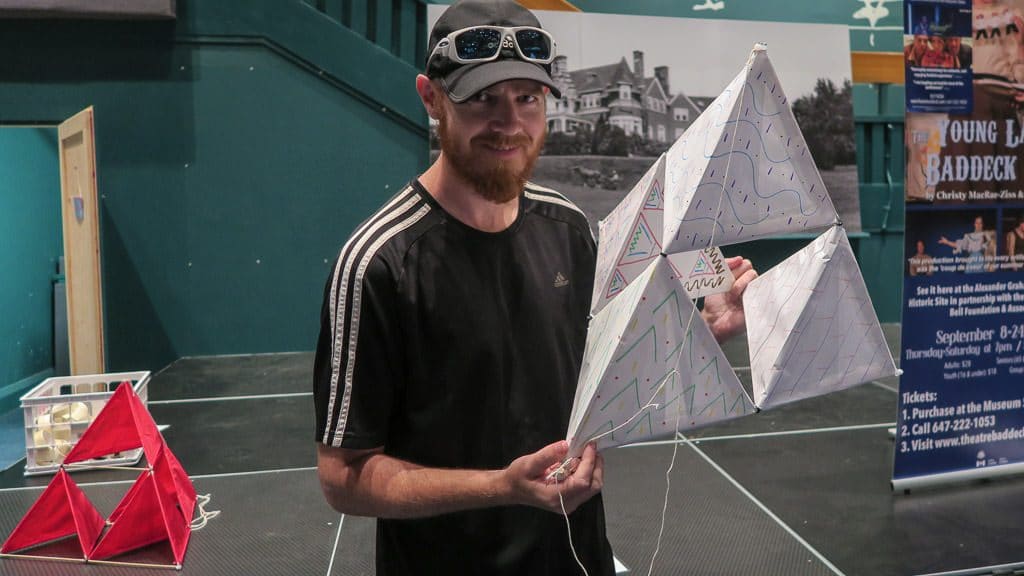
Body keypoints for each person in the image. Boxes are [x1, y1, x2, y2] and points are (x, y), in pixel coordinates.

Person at [313, 1, 755, 574]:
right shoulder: (377, 265)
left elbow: (609, 383)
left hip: (578, 558)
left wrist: (701, 335)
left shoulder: (570, 231)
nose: (510, 123)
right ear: (430, 99)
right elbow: (342, 477)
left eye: (528, 98)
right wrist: (502, 487)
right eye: (482, 99)